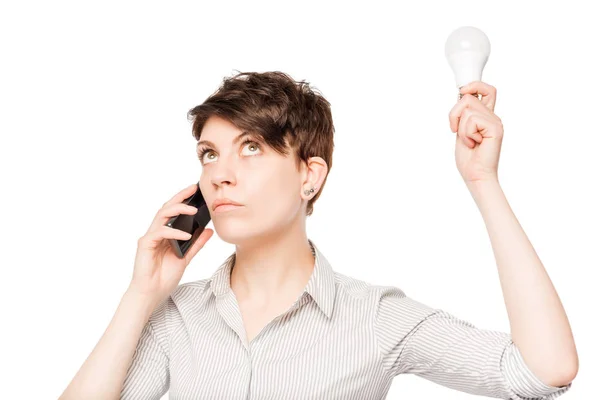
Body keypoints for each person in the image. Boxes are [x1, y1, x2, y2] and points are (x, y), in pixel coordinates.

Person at [59, 71, 578, 399]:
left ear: (311, 175)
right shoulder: (175, 317)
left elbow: (543, 371)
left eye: (252, 147)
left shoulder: (376, 318)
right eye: (209, 153)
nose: (219, 173)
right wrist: (141, 295)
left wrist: (482, 181)